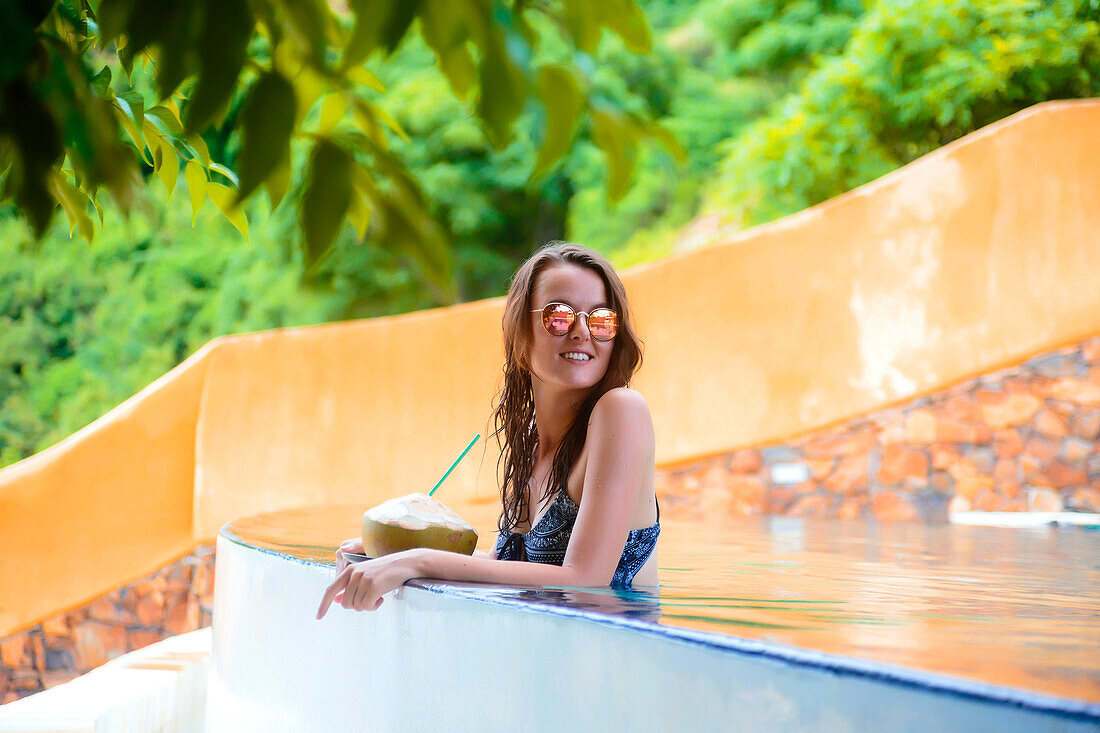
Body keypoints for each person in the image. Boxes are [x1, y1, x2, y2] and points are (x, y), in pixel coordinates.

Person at [317, 242, 659, 619]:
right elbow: (507, 566)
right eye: (558, 316)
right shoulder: (530, 440)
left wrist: (417, 561)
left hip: (618, 667)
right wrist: (391, 552)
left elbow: (585, 578)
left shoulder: (622, 411)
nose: (581, 331)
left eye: (600, 320)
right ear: (520, 331)